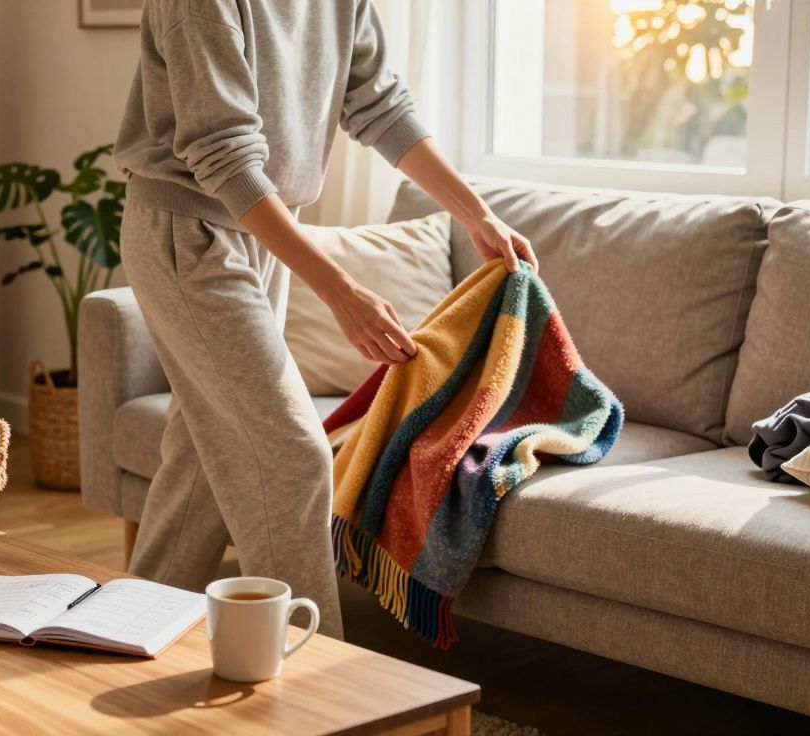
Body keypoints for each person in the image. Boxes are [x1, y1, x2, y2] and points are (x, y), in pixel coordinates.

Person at [111, 0, 537, 639]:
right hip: (188, 233)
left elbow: (378, 104)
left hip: (265, 234)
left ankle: (128, 629)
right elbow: (223, 154)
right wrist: (339, 291)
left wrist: (476, 213)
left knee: (204, 453)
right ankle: (317, 671)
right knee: (292, 455)